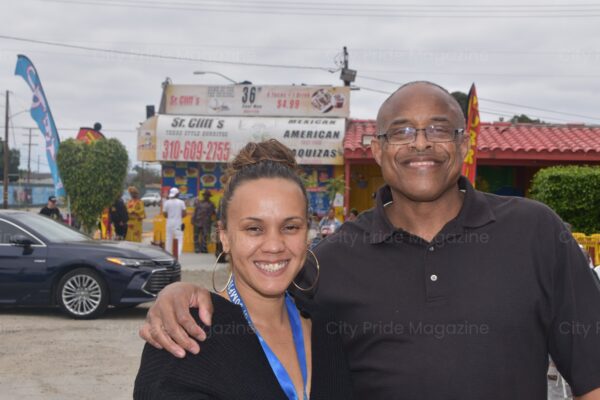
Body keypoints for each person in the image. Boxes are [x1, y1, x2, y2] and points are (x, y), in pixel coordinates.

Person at [138, 81, 600, 399]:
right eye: (401, 131)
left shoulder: (535, 233)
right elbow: (255, 296)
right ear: (376, 149)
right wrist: (182, 293)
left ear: (464, 144)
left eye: (439, 129)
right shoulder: (330, 263)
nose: (421, 143)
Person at [134, 140, 353, 399]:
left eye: (290, 227)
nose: (274, 245)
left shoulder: (327, 328)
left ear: (307, 234)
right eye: (254, 228)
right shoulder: (183, 338)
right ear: (224, 237)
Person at [163, 187, 186, 257]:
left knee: (168, 238)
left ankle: (168, 254)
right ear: (177, 194)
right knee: (179, 238)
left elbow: (164, 214)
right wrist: (178, 216)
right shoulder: (181, 202)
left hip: (169, 223)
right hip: (178, 223)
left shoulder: (166, 202)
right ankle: (178, 254)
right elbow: (184, 213)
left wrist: (170, 216)